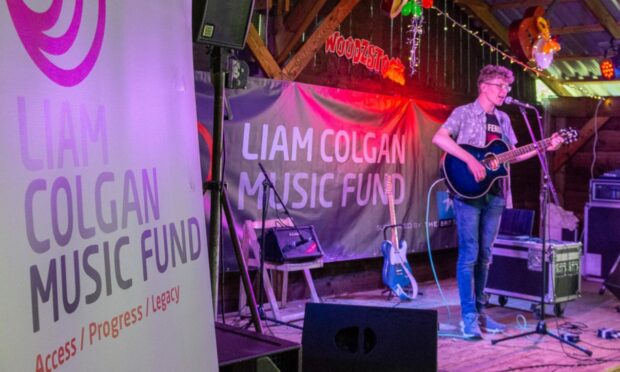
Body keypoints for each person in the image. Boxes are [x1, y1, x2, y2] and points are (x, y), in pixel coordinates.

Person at [432, 64, 563, 339]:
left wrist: (544, 145)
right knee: (469, 254)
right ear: (484, 86)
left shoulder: (504, 119)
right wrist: (470, 159)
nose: (504, 91)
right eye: (499, 86)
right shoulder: (464, 113)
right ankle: (467, 316)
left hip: (495, 194)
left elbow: (512, 155)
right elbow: (439, 138)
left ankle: (480, 312)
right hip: (467, 192)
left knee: (486, 257)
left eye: (507, 87)